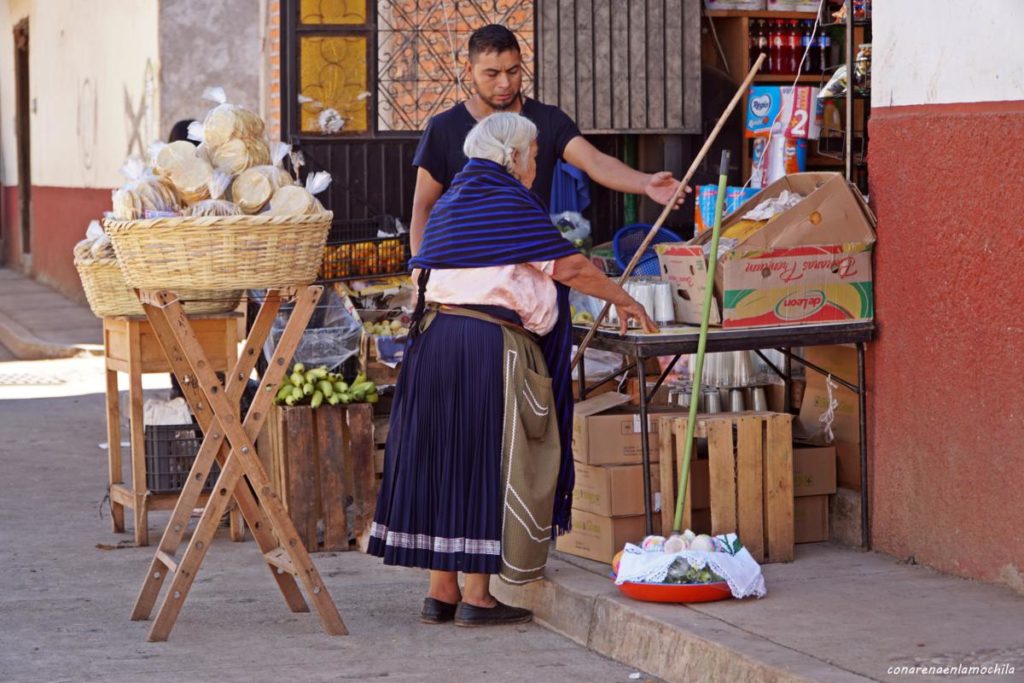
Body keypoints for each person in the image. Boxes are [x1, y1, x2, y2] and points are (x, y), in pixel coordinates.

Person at [368, 112, 659, 627]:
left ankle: (442, 592)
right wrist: (623, 298)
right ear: (514, 156)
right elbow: (566, 265)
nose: (536, 166)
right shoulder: (503, 198)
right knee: (486, 459)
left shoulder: (454, 199)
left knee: (446, 458)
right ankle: (477, 596)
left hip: (434, 342)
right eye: (535, 156)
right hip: (483, 343)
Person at [410, 24, 687, 254]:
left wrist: (645, 183)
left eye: (513, 71)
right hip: (464, 262)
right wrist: (420, 270)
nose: (505, 83)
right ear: (469, 71)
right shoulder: (444, 127)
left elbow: (595, 161)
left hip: (530, 257)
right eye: (492, 74)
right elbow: (423, 206)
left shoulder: (548, 119)